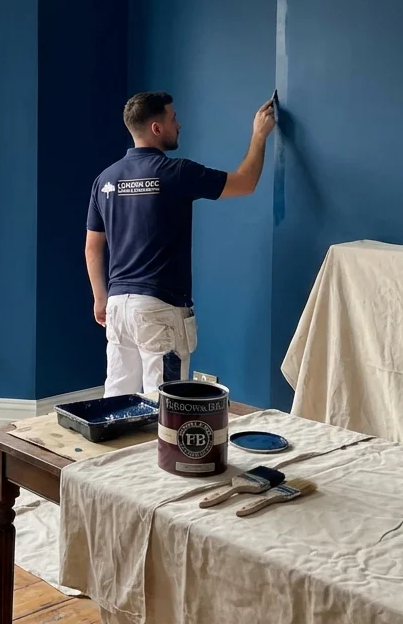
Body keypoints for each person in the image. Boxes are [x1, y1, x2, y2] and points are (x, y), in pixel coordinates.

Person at [85, 92, 276, 396]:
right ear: (156, 128)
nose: (179, 124)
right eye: (173, 118)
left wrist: (100, 298)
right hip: (159, 309)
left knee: (117, 401)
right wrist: (259, 134)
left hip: (118, 306)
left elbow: (93, 247)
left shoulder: (105, 180)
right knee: (166, 406)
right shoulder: (176, 173)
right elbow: (245, 182)